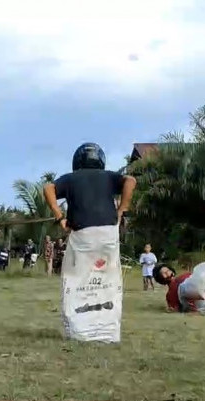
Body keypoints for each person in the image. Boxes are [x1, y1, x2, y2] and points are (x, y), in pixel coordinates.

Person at [43, 142, 136, 343]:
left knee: (76, 279)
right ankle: (108, 332)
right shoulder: (110, 176)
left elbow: (48, 188)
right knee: (108, 280)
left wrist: (59, 216)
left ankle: (79, 331)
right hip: (109, 234)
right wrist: (122, 208)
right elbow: (131, 180)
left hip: (82, 234)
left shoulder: (71, 178)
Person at [153, 247, 205, 313]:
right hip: (197, 303)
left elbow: (198, 277)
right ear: (160, 278)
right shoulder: (170, 294)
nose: (167, 273)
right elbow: (174, 309)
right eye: (164, 273)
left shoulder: (184, 276)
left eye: (168, 270)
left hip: (201, 298)